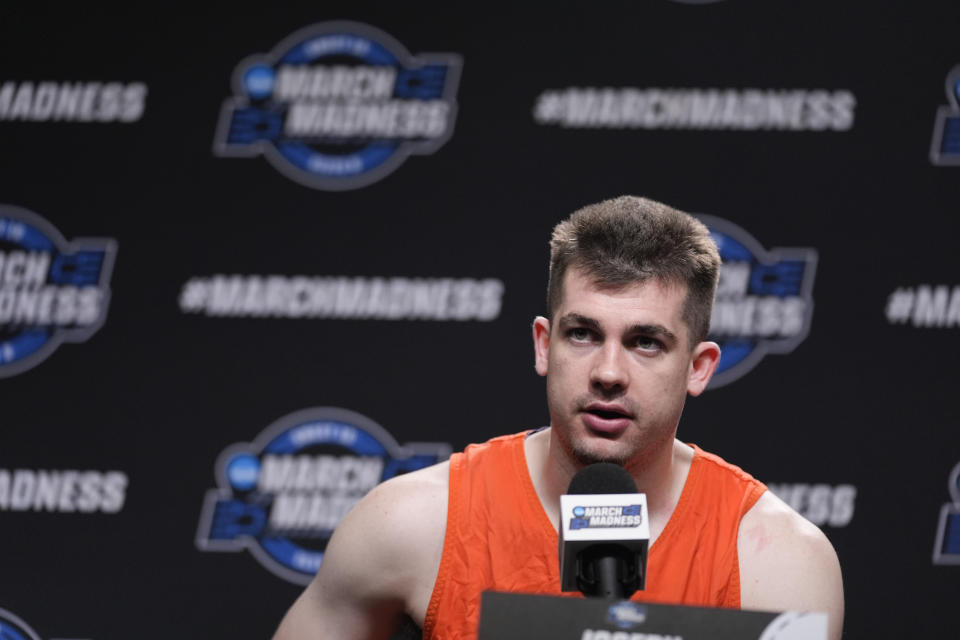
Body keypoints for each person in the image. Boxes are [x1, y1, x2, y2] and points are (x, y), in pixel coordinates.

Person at [272, 196, 844, 640]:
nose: (608, 372)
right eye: (583, 334)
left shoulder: (776, 560)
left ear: (699, 367)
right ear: (545, 345)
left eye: (646, 342)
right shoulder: (416, 522)